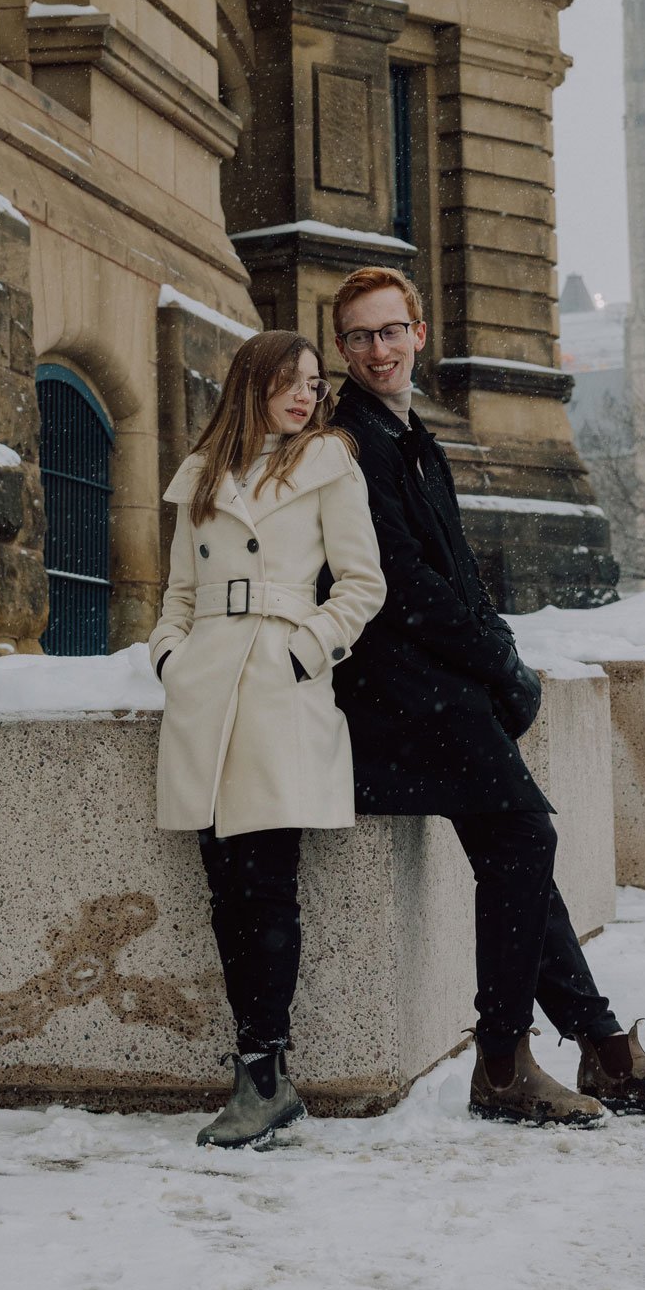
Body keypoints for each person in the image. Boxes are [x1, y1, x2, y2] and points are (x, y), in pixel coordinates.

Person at [329, 267, 645, 1128]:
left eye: (390, 331)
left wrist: (497, 654)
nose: (378, 350)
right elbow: (404, 586)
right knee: (522, 832)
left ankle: (600, 1049)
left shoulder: (407, 434)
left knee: (515, 847)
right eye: (359, 337)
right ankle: (505, 1060)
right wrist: (497, 669)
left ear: (418, 333)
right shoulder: (351, 443)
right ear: (342, 349)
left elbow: (459, 575)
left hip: (434, 685)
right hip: (393, 694)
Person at [150, 330, 386, 1149]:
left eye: (314, 384)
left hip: (278, 685)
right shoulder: (203, 476)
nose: (303, 395)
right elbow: (177, 593)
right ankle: (259, 1073)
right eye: (288, 380)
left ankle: (263, 1072)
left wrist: (304, 647)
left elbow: (363, 583)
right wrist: (169, 659)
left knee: (267, 884)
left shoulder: (327, 464)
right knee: (223, 891)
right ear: (252, 383)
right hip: (205, 688)